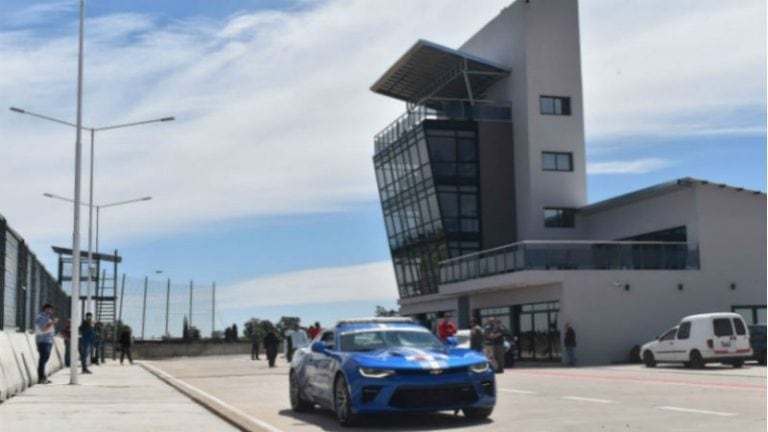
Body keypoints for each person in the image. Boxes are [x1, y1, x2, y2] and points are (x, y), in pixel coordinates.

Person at [34, 304, 59, 384]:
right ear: (45, 309)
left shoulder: (46, 317)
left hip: (47, 341)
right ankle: (41, 377)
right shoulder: (42, 317)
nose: (50, 311)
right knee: (43, 359)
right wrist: (52, 323)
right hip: (43, 341)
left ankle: (42, 377)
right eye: (49, 309)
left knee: (44, 359)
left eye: (51, 309)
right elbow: (43, 329)